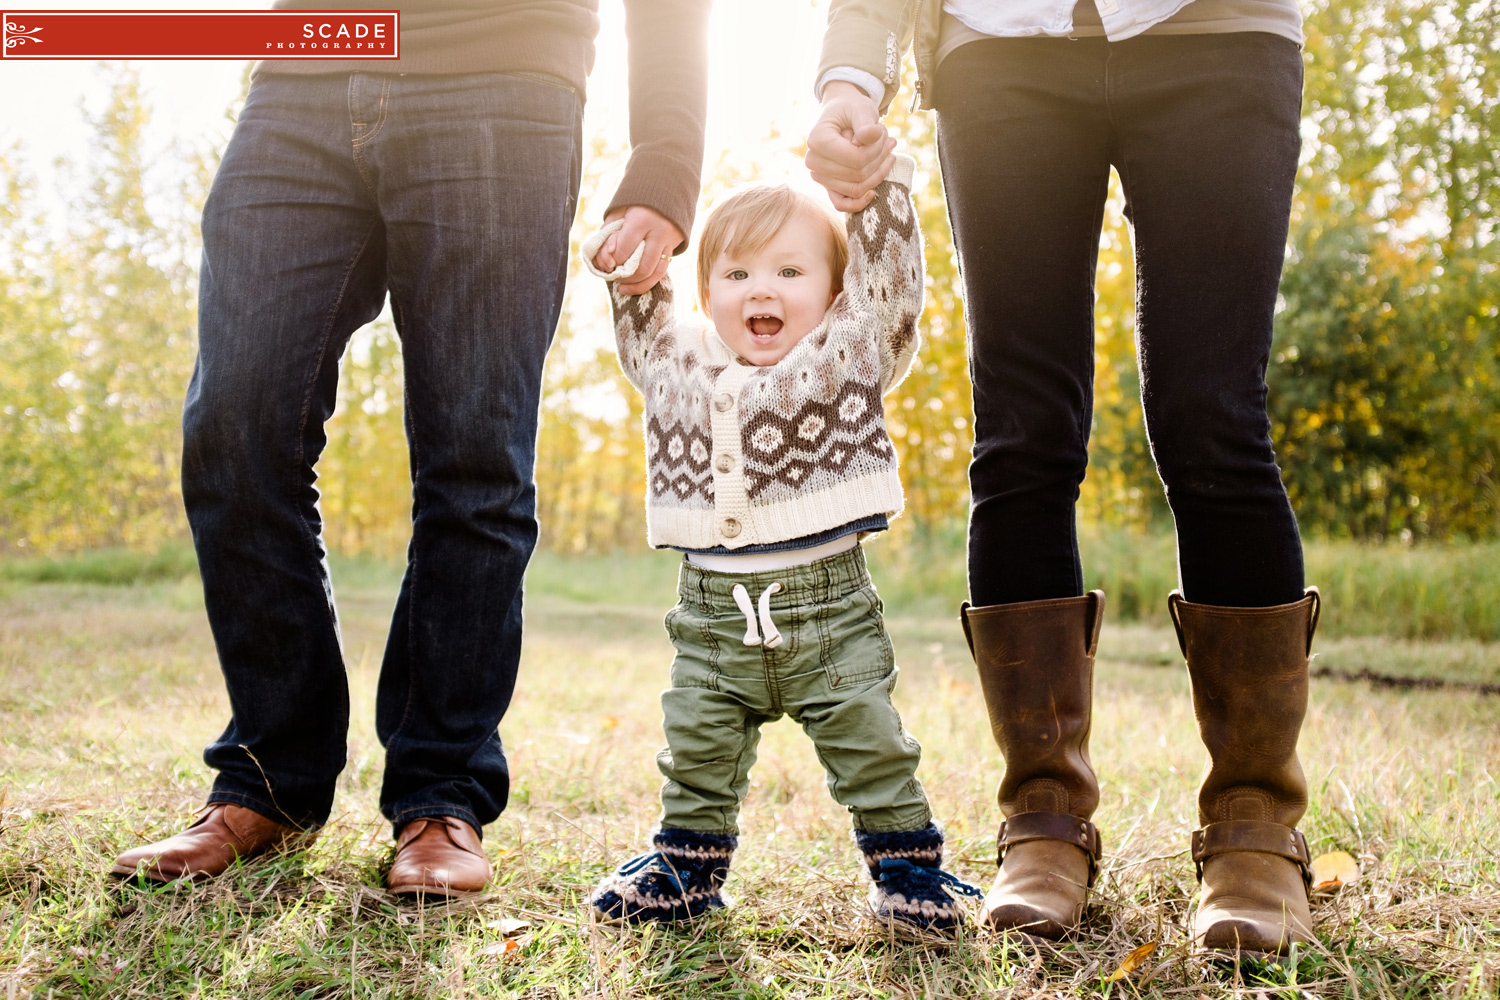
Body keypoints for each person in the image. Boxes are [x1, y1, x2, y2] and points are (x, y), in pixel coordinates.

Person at [110, 0, 709, 898]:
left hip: (504, 77)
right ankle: (270, 781)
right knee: (235, 427)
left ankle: (440, 793)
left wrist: (665, 161)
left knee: (475, 453)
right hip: (302, 72)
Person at [807, 0, 1321, 957]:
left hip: (1220, 34)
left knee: (1214, 418)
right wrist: (849, 75)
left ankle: (1256, 822)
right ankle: (1043, 814)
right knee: (1023, 431)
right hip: (1000, 47)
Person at [579, 157, 981, 929]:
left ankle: (909, 874)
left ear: (834, 293)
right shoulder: (679, 364)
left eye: (791, 270)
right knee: (695, 746)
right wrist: (630, 264)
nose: (761, 289)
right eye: (736, 273)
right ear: (706, 296)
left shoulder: (846, 354)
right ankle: (687, 866)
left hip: (828, 613)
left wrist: (876, 197)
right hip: (710, 619)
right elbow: (641, 316)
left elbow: (890, 292)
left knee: (872, 745)